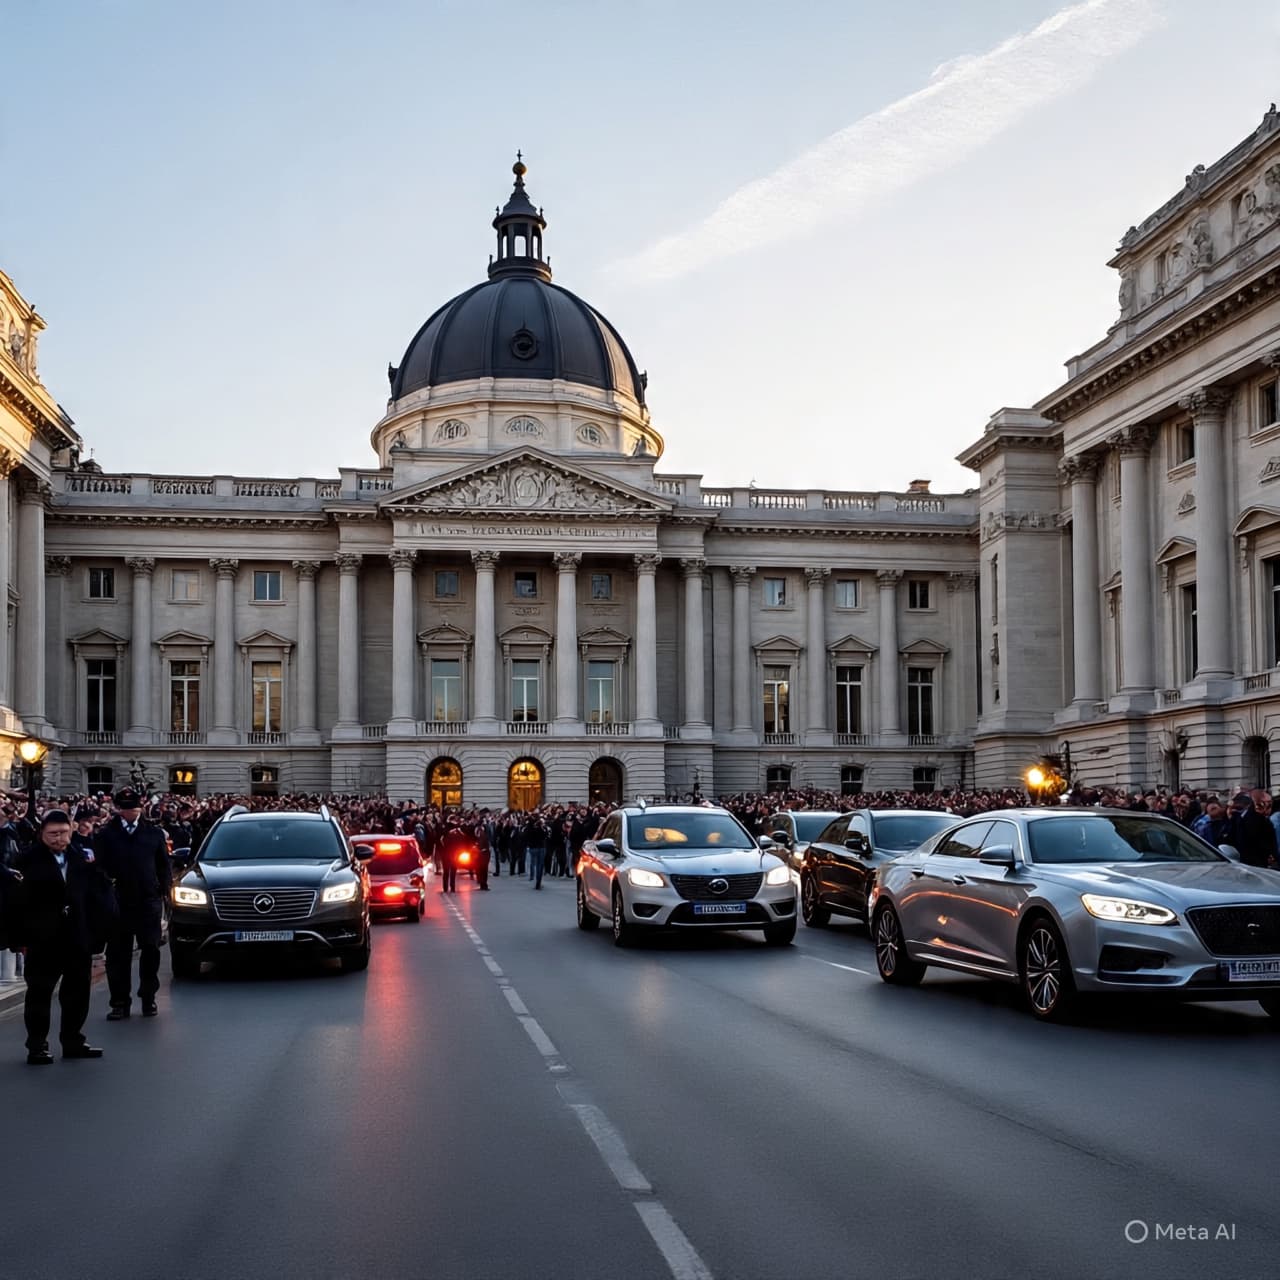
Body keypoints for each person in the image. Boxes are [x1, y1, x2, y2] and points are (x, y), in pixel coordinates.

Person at [10, 810, 112, 1064]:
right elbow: (15, 903)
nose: (59, 839)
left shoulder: (81, 858)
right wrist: (18, 938)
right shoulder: (26, 861)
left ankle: (73, 1039)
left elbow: (96, 897)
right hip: (42, 938)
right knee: (40, 993)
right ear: (41, 834)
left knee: (77, 992)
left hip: (76, 936)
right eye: (53, 834)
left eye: (64, 833)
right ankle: (37, 1045)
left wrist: (97, 933)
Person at [96, 787, 170, 1019]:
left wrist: (165, 891)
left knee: (150, 949)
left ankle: (148, 996)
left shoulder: (154, 833)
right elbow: (99, 867)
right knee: (118, 955)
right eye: (125, 808)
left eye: (134, 808)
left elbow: (163, 865)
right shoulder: (106, 834)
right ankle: (119, 1001)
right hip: (119, 901)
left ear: (141, 807)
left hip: (147, 900)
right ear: (118, 809)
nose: (130, 812)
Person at [524, 818, 548, 889]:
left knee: (533, 862)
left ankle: (532, 876)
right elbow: (545, 836)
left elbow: (525, 836)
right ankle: (538, 882)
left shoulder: (529, 829)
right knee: (539, 866)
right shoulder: (540, 829)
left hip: (533, 848)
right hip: (541, 847)